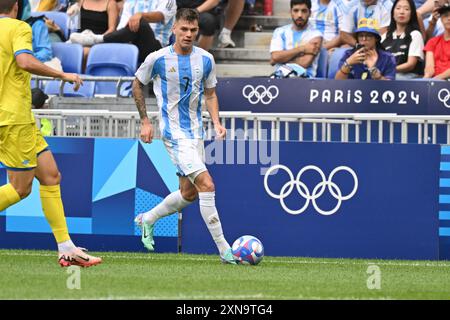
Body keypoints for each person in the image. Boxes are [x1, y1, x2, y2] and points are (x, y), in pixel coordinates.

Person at [0, 0, 102, 267]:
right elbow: (24, 60)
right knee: (20, 189)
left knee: (51, 176)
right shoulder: (19, 27)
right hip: (12, 119)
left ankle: (66, 247)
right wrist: (61, 75)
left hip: (20, 118)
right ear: (18, 6)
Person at [132, 8, 236, 264]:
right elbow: (137, 83)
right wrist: (145, 120)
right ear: (174, 30)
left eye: (193, 30)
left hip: (196, 134)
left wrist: (216, 122)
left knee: (189, 194)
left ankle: (148, 219)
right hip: (174, 134)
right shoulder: (157, 58)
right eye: (184, 30)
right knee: (207, 185)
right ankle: (225, 250)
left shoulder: (206, 60)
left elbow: (210, 94)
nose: (189, 34)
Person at [70, 0, 176, 63]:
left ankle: (97, 39)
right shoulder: (130, 2)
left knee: (141, 23)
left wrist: (140, 15)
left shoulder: (169, 1)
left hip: (155, 48)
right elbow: (122, 27)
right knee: (133, 25)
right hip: (130, 45)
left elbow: (160, 16)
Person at [269, 0, 323, 78]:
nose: (300, 15)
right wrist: (302, 49)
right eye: (296, 10)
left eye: (304, 11)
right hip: (280, 79)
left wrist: (280, 59)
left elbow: (305, 62)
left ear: (310, 13)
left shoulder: (316, 35)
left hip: (306, 81)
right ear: (290, 12)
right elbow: (275, 57)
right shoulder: (279, 31)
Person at [381, 0, 424, 79]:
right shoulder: (384, 37)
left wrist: (390, 70)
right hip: (388, 75)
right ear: (393, 14)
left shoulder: (415, 35)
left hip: (408, 76)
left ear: (412, 14)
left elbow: (410, 65)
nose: (402, 12)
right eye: (398, 8)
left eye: (406, 9)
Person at [423, 2, 450, 79]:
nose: (449, 18)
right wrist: (425, 81)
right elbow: (429, 69)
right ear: (441, 19)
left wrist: (436, 79)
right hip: (436, 82)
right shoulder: (432, 42)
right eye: (446, 16)